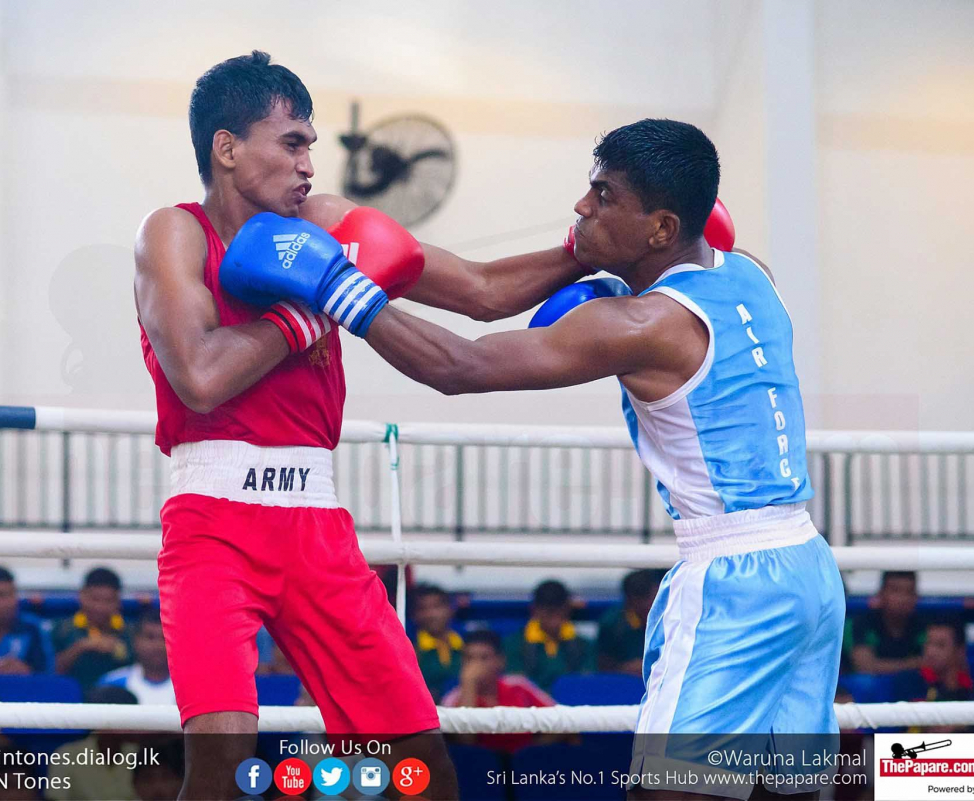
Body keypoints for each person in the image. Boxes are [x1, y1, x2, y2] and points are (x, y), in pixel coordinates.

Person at [223, 118, 845, 798]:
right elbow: (497, 293)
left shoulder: (642, 325)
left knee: (670, 788)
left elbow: (460, 366)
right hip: (811, 570)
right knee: (787, 788)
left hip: (734, 580)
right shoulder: (754, 274)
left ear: (662, 228)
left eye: (604, 196)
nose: (582, 206)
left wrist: (337, 287)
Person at [135, 51, 587, 800]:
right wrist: (316, 306)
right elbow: (202, 378)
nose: (308, 164)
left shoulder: (325, 222)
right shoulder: (174, 232)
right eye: (292, 143)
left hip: (316, 524)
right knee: (220, 771)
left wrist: (584, 250)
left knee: (422, 770)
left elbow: (480, 292)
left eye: (310, 145)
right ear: (227, 148)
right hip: (213, 525)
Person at [442, 629, 555, 754]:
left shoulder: (519, 685)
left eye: (484, 658)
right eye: (470, 659)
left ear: (500, 661)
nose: (476, 666)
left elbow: (559, 721)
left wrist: (532, 751)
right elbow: (466, 741)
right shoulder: (453, 699)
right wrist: (469, 685)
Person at [503, 579, 594, 691]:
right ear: (534, 610)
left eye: (559, 610)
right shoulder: (513, 645)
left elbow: (586, 684)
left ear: (568, 609)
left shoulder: (584, 646)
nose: (554, 617)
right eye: (548, 611)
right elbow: (516, 685)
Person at [52, 567, 132, 689]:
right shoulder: (62, 629)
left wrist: (120, 650)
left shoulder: (131, 631)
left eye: (108, 601)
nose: (100, 607)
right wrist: (81, 647)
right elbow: (50, 671)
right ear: (81, 596)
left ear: (118, 601)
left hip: (118, 696)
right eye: (95, 599)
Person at [851, 570, 926, 675]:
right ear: (881, 594)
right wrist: (911, 664)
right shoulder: (862, 622)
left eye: (909, 592)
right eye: (895, 591)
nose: (903, 598)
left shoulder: (924, 624)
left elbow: (932, 664)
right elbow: (865, 667)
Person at [99, 607, 175, 705]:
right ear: (135, 641)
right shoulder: (111, 684)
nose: (158, 645)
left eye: (164, 638)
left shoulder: (190, 686)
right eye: (150, 637)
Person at [598, 569, 666, 674]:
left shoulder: (671, 618)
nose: (652, 604)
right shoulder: (612, 624)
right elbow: (602, 666)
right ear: (631, 600)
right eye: (651, 598)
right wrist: (623, 669)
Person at [411, 584, 463, 702]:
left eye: (437, 606)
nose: (431, 614)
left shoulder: (467, 646)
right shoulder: (409, 650)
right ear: (414, 615)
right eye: (423, 608)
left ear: (450, 609)